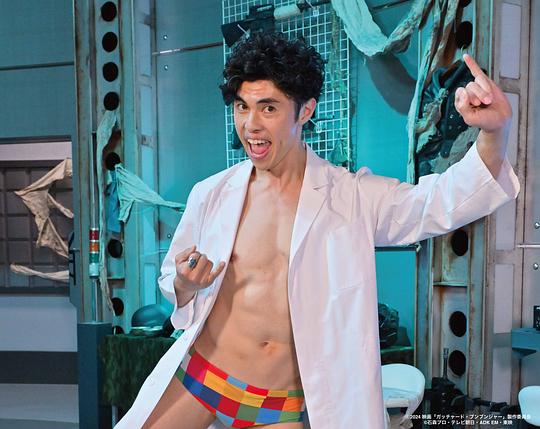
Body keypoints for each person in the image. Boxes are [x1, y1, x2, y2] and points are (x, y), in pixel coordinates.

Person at [116, 32, 519, 429]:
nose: (250, 125)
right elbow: (174, 281)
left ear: (305, 110)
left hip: (274, 407)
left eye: (268, 108)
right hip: (200, 378)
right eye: (242, 106)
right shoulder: (211, 193)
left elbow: (436, 204)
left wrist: (494, 133)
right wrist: (185, 283)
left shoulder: (350, 197)